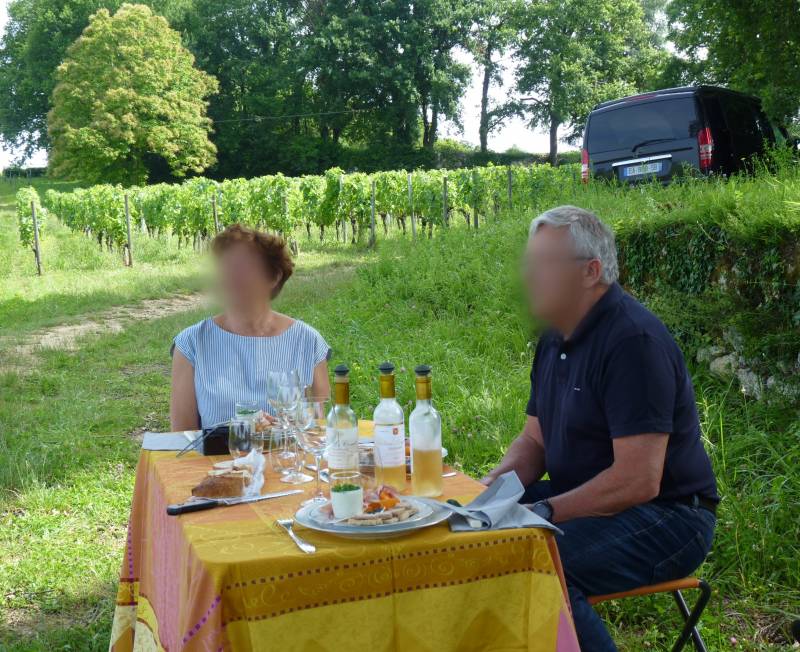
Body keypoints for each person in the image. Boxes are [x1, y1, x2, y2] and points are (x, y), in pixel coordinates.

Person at [482, 206, 718, 652]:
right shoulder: (555, 336)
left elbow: (637, 480)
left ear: (590, 272)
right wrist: (489, 492)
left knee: (540, 564)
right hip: (589, 497)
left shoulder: (633, 342)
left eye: (543, 264)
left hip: (669, 515)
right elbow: (535, 441)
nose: (528, 275)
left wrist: (547, 511)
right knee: (474, 538)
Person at [170, 224, 331, 430]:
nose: (231, 275)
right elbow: (182, 437)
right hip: (215, 462)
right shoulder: (191, 343)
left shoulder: (308, 342)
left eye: (244, 267)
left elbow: (318, 431)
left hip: (288, 461)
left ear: (273, 277)